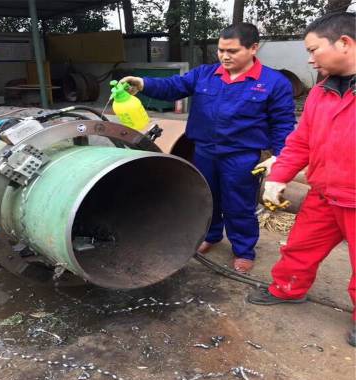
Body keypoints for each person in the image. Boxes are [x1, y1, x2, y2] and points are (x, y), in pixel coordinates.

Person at [121, 23, 295, 273]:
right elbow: (173, 86)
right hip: (204, 152)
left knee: (239, 204)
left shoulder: (273, 82)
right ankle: (211, 236)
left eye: (232, 51)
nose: (225, 56)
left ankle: (243, 249)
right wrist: (142, 83)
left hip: (241, 157)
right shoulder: (205, 74)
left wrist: (280, 157)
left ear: (253, 48)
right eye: (221, 50)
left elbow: (283, 123)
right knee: (206, 198)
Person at [247, 12, 356, 347]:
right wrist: (278, 177)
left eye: (313, 49)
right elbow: (301, 142)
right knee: (300, 248)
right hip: (324, 194)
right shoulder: (321, 91)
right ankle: (288, 289)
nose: (309, 59)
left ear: (344, 43)